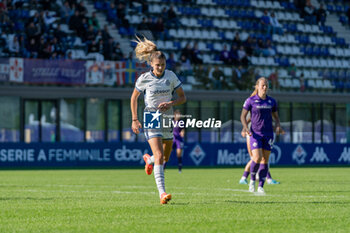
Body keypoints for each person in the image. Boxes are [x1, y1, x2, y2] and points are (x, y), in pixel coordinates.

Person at [130, 37, 186, 204]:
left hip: (168, 116)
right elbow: (134, 98)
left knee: (164, 158)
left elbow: (183, 97)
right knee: (160, 155)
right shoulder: (144, 78)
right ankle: (162, 194)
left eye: (162, 65)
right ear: (151, 65)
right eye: (157, 65)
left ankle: (149, 159)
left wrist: (171, 103)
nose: (160, 68)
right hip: (152, 116)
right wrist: (134, 119)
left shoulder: (171, 76)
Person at [240, 77, 284, 194]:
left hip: (268, 134)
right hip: (255, 133)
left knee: (265, 160)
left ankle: (261, 186)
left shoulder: (272, 101)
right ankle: (252, 181)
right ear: (257, 87)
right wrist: (245, 127)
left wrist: (278, 125)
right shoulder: (250, 100)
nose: (265, 87)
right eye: (263, 85)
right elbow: (243, 116)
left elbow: (276, 117)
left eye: (266, 85)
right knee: (257, 158)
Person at [239, 116, 281, 185]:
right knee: (256, 158)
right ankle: (245, 177)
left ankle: (246, 177)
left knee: (261, 158)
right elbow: (249, 118)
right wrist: (244, 128)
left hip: (260, 133)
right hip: (252, 134)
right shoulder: (252, 106)